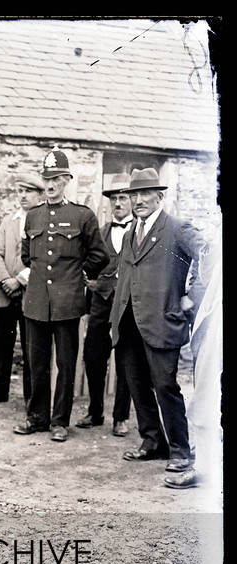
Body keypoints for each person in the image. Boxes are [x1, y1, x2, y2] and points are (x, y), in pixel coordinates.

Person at [110, 167, 208, 489]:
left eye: (145, 194)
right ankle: (153, 441)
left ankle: (180, 451)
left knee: (165, 385)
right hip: (129, 321)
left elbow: (210, 255)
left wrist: (191, 298)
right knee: (136, 383)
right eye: (134, 194)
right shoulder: (129, 234)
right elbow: (125, 276)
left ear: (159, 196)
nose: (137, 200)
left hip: (162, 321)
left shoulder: (177, 229)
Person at [14, 146, 109, 442]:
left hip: (68, 302)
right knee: (36, 363)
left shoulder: (82, 216)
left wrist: (78, 275)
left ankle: (59, 421)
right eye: (47, 179)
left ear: (67, 179)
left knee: (65, 365)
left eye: (56, 178)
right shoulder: (32, 216)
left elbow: (99, 256)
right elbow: (27, 256)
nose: (51, 184)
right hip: (36, 301)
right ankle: (37, 417)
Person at [0, 173, 44, 406]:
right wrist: (6, 280)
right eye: (21, 191)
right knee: (3, 344)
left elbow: (43, 259)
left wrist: (20, 280)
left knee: (30, 347)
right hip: (5, 293)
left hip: (30, 293)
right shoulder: (9, 221)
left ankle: (30, 395)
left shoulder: (43, 221)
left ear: (39, 195)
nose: (23, 196)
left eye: (28, 192)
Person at [75, 174, 133, 437]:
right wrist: (92, 283)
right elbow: (88, 264)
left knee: (125, 361)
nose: (118, 203)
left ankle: (120, 417)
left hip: (129, 306)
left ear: (132, 200)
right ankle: (95, 411)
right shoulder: (101, 233)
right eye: (114, 199)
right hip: (100, 302)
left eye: (123, 198)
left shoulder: (141, 231)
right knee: (93, 357)